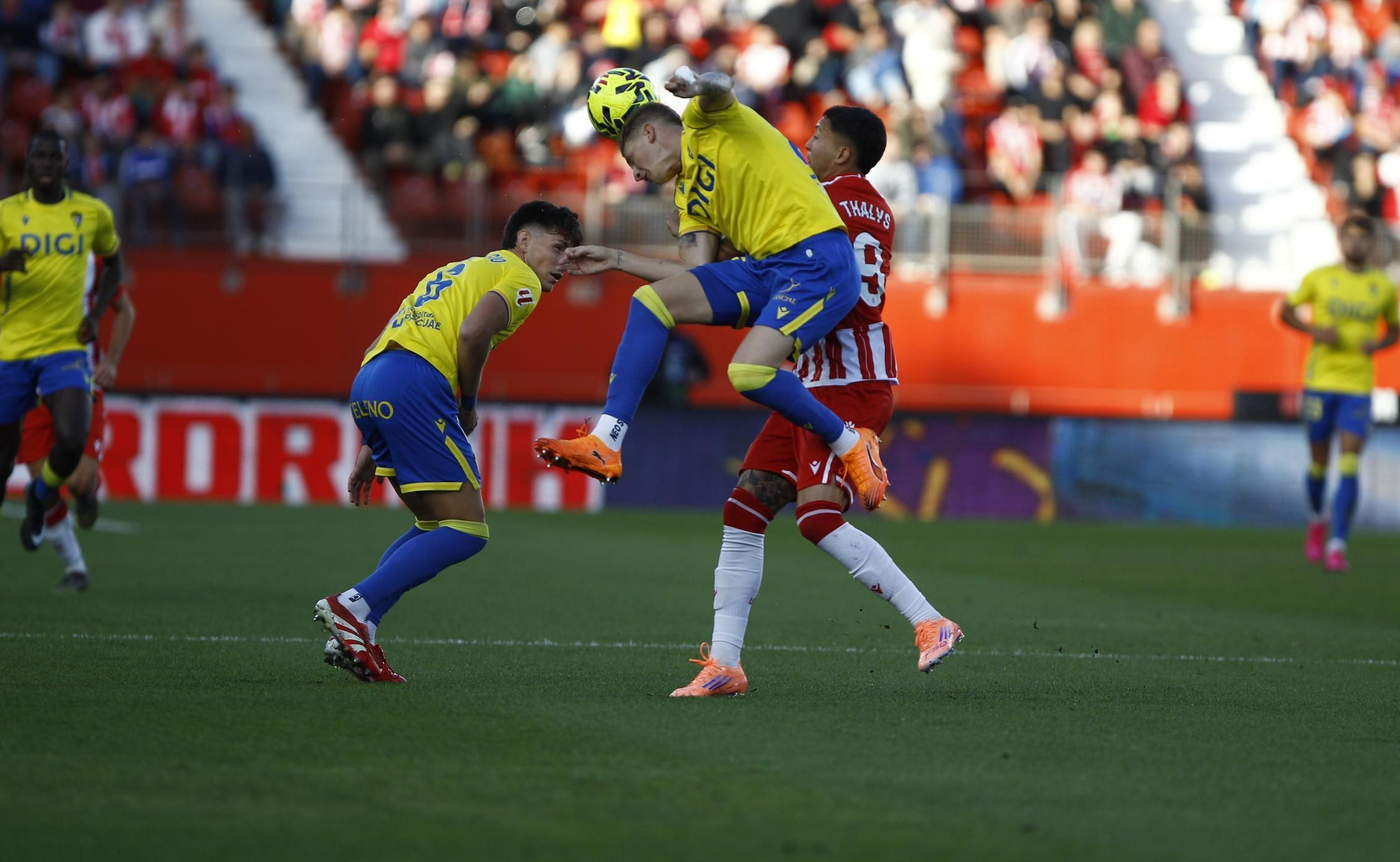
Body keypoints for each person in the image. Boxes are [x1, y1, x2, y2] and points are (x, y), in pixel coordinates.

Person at [564, 108, 964, 695]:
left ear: (843, 154)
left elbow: (765, 271)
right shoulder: (855, 204)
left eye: (819, 135)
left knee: (819, 518)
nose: (806, 142)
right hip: (811, 379)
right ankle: (725, 663)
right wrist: (630, 260)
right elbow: (719, 274)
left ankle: (931, 621)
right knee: (745, 508)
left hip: (849, 381)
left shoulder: (817, 203)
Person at [534, 69, 890, 509]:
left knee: (746, 373)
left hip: (816, 257)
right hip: (767, 268)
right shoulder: (688, 199)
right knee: (650, 303)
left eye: (633, 161)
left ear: (649, 132)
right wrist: (616, 259)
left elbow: (722, 85)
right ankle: (606, 441)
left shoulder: (706, 120)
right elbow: (696, 276)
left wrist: (697, 83)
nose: (638, 176)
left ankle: (851, 442)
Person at [318, 200, 581, 683]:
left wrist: (369, 447)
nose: (566, 263)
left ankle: (360, 632)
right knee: (468, 530)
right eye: (559, 248)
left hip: (372, 380)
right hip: (418, 384)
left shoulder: (460, 269)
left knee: (432, 522)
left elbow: (401, 336)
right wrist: (468, 400)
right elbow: (473, 332)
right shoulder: (520, 277)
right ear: (524, 241)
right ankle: (352, 605)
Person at [0, 130, 123, 601]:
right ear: (28, 163)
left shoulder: (91, 213)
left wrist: (94, 318)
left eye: (56, 155)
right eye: (40, 156)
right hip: (12, 352)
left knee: (72, 440)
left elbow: (116, 267)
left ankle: (38, 499)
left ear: (67, 162)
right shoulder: (4, 213)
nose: (47, 163)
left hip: (65, 350)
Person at [0, 254, 136, 592]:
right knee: (43, 488)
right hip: (29, 390)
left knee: (78, 481)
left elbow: (126, 310)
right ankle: (76, 568)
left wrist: (112, 361)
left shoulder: (86, 261)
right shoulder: (13, 268)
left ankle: (87, 492)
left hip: (79, 382)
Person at [1279, 213, 1400, 573]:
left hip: (1357, 387)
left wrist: (1378, 344)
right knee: (1318, 465)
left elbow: (1396, 330)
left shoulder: (1383, 286)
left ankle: (1338, 544)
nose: (1356, 243)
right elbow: (1284, 311)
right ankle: (1317, 518)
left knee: (1349, 465)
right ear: (1340, 240)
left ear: (1372, 243)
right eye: (1350, 237)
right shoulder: (1320, 279)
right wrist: (1314, 331)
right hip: (1320, 383)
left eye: (1363, 238)